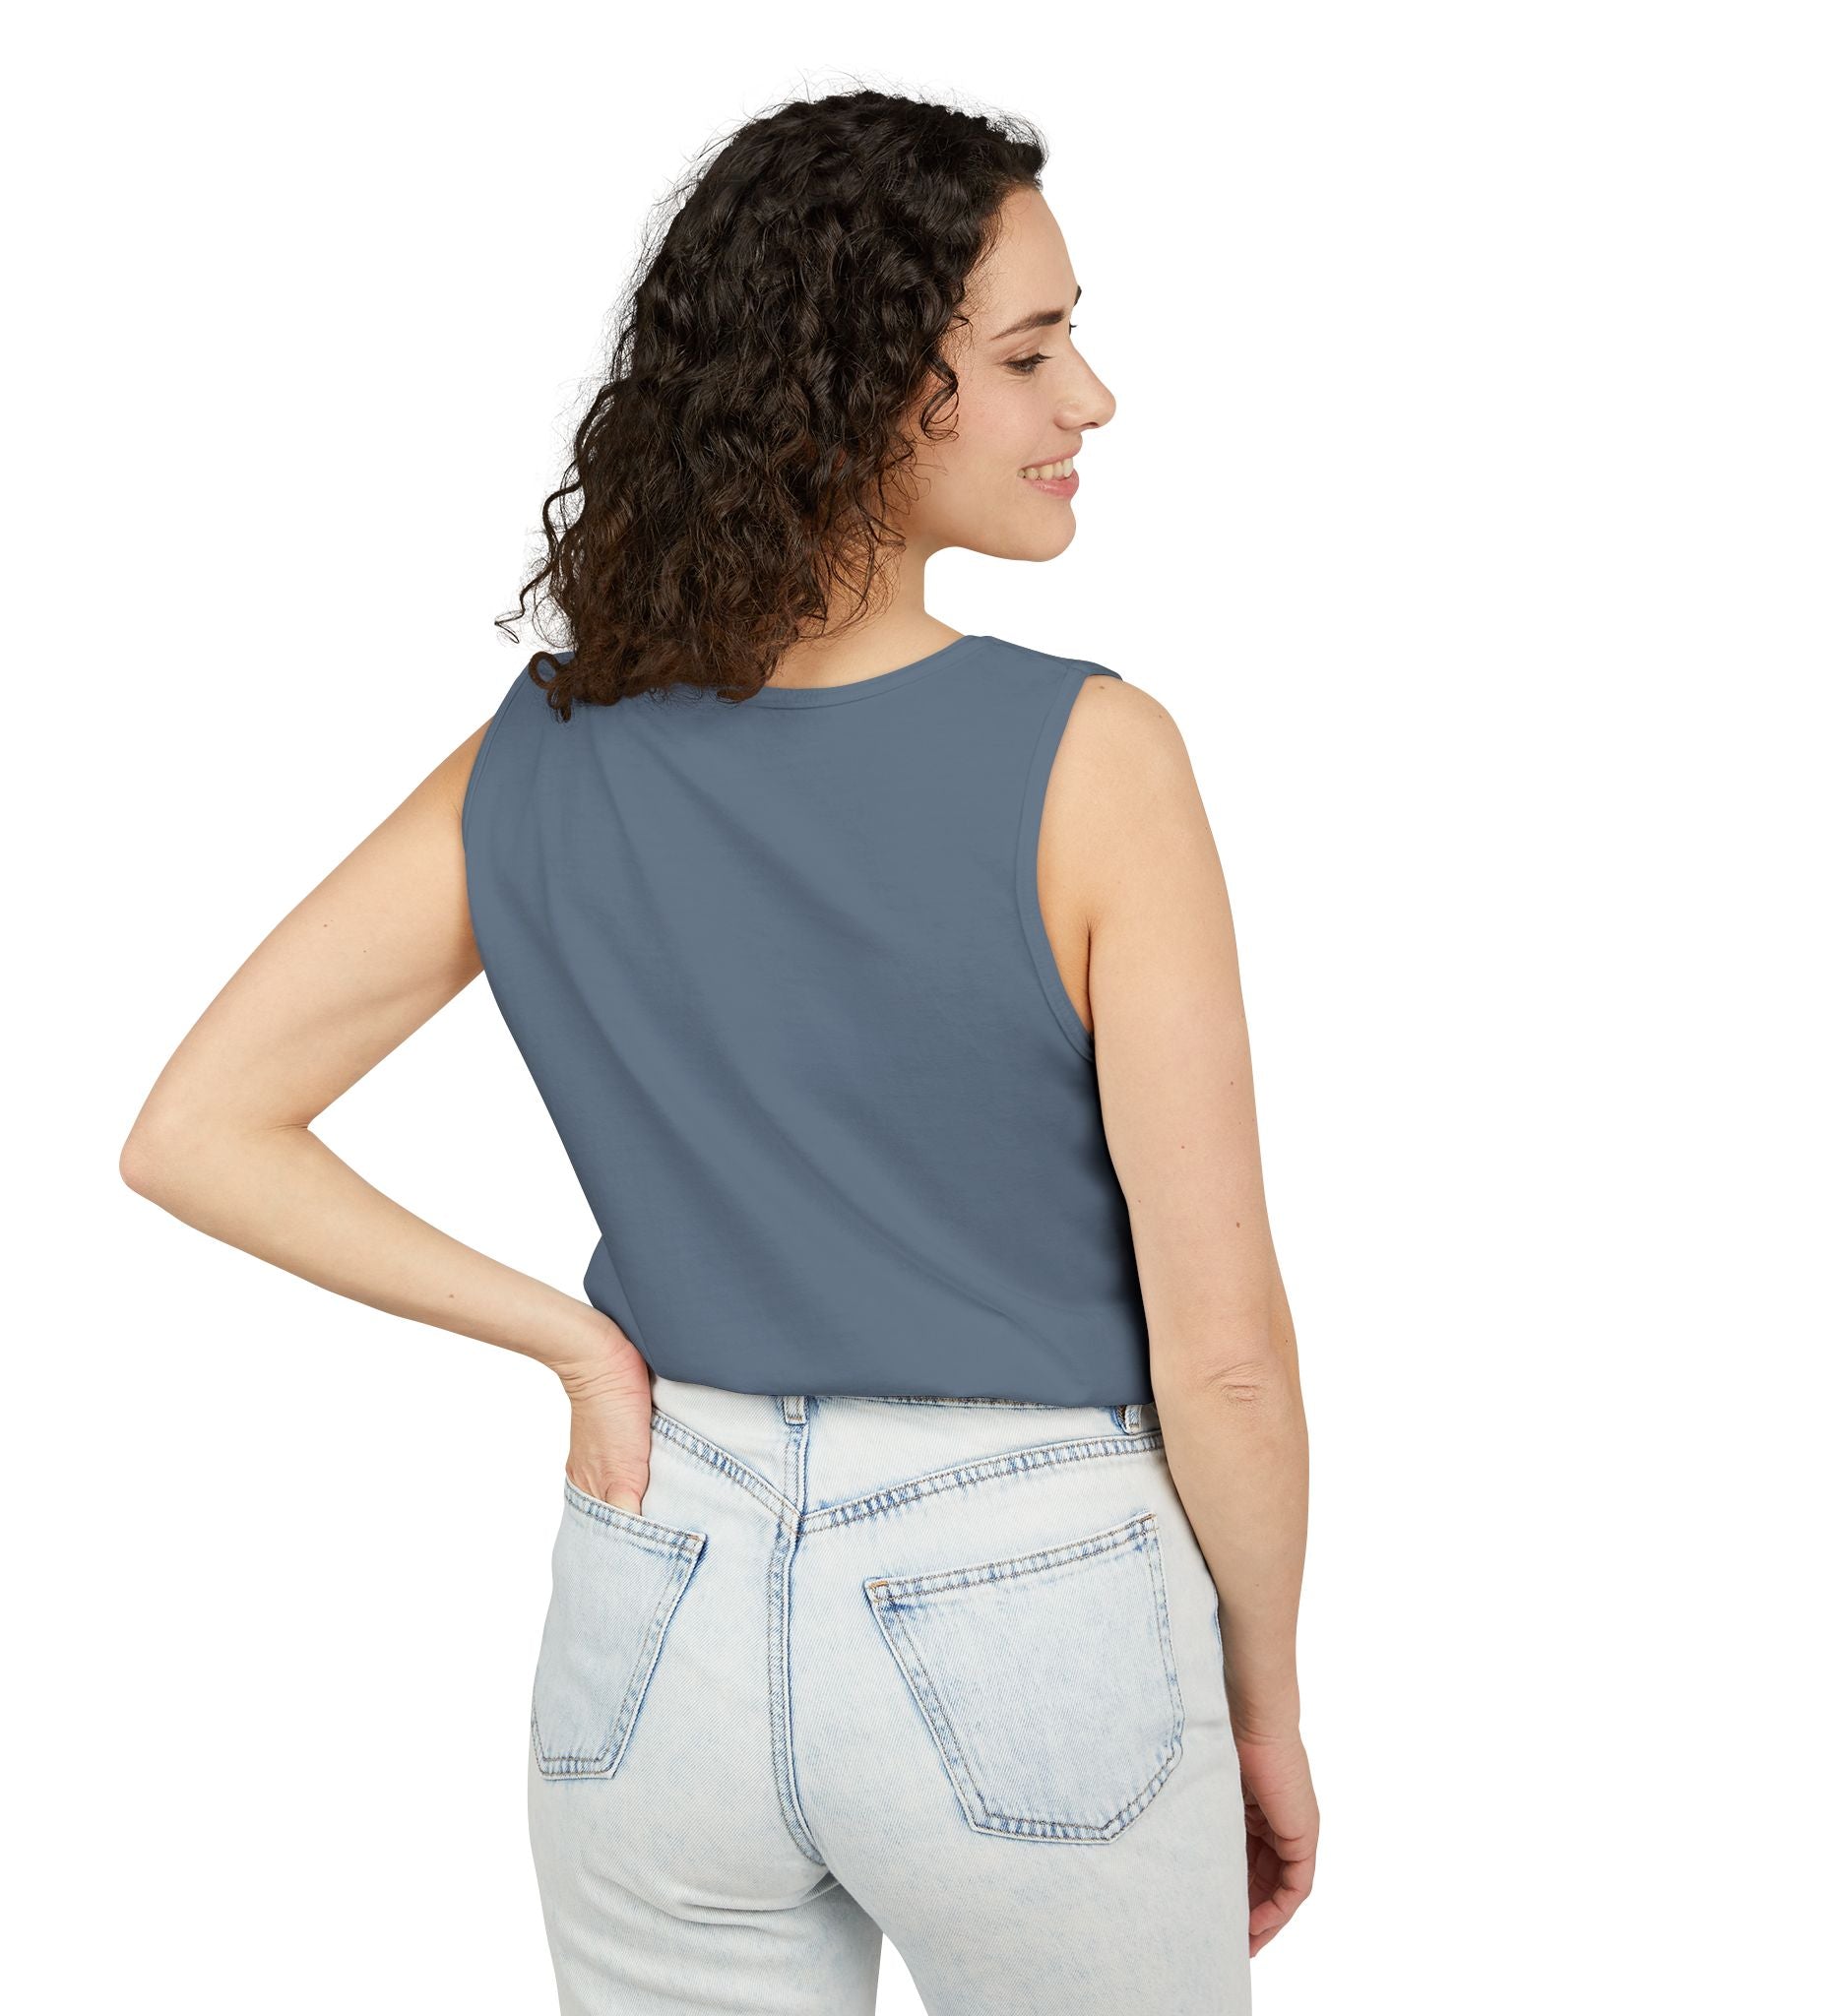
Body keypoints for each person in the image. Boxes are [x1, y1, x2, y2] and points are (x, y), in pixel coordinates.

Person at [122, 88, 1316, 2016]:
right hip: (1033, 1594)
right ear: (862, 386)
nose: (1088, 398)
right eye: (1029, 354)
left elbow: (197, 1126)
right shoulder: (1094, 761)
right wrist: (1258, 1698)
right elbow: (1228, 1358)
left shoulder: (540, 756)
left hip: (654, 1586)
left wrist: (579, 1344)